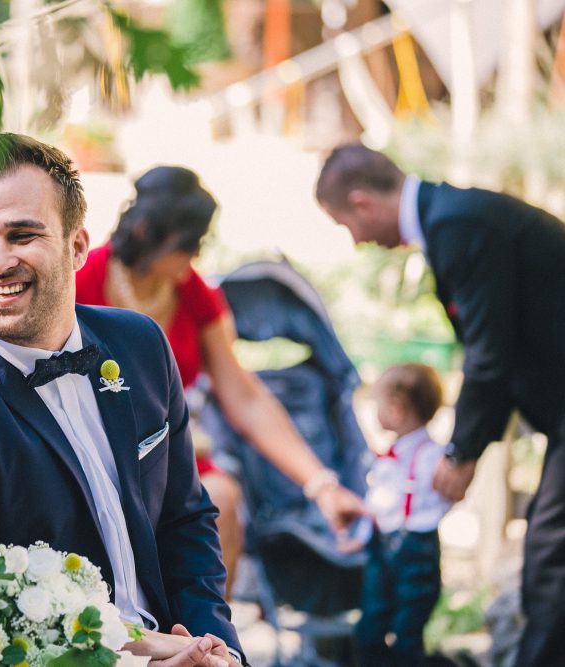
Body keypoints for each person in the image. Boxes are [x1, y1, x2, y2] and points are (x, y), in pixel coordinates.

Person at [0, 133, 247, 666]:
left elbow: (185, 519)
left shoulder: (141, 343)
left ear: (78, 246)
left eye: (22, 234)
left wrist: (215, 649)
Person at [315, 143, 565, 667]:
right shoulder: (449, 218)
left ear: (362, 202)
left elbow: (489, 354)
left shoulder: (458, 224)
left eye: (346, 226)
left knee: (550, 560)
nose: (357, 241)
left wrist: (462, 451)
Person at [76, 166, 365, 595]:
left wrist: (321, 485)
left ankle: (207, 631)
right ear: (145, 231)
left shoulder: (192, 293)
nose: (194, 256)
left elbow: (245, 397)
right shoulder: (81, 282)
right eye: (188, 244)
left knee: (221, 499)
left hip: (169, 458)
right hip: (91, 455)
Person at [354, 363, 450, 666]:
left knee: (408, 626)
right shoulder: (388, 456)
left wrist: (419, 522)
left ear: (396, 409)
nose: (375, 412)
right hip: (383, 547)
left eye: (377, 404)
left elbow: (443, 497)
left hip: (416, 548)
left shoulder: (433, 456)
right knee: (371, 622)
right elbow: (379, 502)